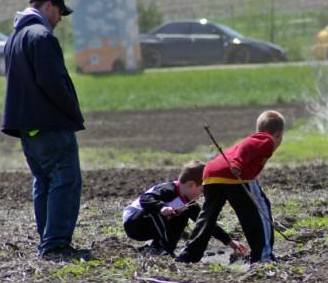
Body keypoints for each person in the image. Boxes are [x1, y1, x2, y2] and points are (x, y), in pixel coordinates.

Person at [1, 0, 86, 259]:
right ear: (49, 5)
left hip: (26, 126)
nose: (60, 19)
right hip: (50, 123)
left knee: (44, 180)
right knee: (65, 179)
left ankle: (47, 239)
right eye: (60, 12)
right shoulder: (41, 36)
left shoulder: (14, 38)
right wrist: (72, 111)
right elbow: (53, 83)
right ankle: (56, 243)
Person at [176, 110, 284, 264]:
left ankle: (188, 256)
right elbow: (247, 147)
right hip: (233, 173)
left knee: (207, 218)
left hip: (211, 174)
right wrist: (237, 163)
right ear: (279, 133)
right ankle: (263, 256)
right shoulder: (267, 140)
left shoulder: (257, 138)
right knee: (259, 209)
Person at [122, 161, 249, 256]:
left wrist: (228, 241)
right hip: (134, 223)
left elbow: (204, 221)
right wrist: (161, 207)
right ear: (191, 185)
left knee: (182, 214)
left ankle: (157, 248)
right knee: (159, 213)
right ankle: (166, 249)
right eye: (201, 191)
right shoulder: (169, 189)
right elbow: (145, 198)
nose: (202, 195)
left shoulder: (188, 202)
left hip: (150, 226)